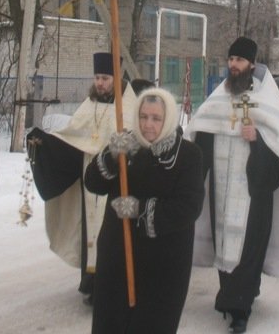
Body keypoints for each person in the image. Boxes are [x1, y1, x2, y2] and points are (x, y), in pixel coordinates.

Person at [185, 36, 279, 334]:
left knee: (248, 248)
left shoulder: (266, 98)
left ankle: (240, 307)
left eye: (239, 60)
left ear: (252, 63)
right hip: (222, 194)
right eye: (231, 60)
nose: (233, 65)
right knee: (224, 244)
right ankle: (233, 294)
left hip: (254, 192)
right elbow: (201, 131)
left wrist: (259, 140)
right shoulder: (220, 95)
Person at [84, 88, 204, 334]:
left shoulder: (188, 155)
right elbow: (92, 183)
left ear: (168, 119)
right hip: (118, 256)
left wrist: (139, 209)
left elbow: (189, 207)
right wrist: (110, 156)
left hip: (163, 264)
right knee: (111, 324)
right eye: (143, 116)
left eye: (156, 118)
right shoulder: (126, 144)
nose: (148, 125)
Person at [26, 52, 137, 304]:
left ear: (117, 78)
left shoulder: (128, 106)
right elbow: (73, 134)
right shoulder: (90, 103)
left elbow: (134, 139)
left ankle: (111, 285)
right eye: (97, 77)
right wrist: (45, 143)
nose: (100, 83)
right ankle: (91, 283)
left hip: (116, 180)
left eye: (105, 78)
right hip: (91, 177)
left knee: (112, 231)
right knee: (90, 231)